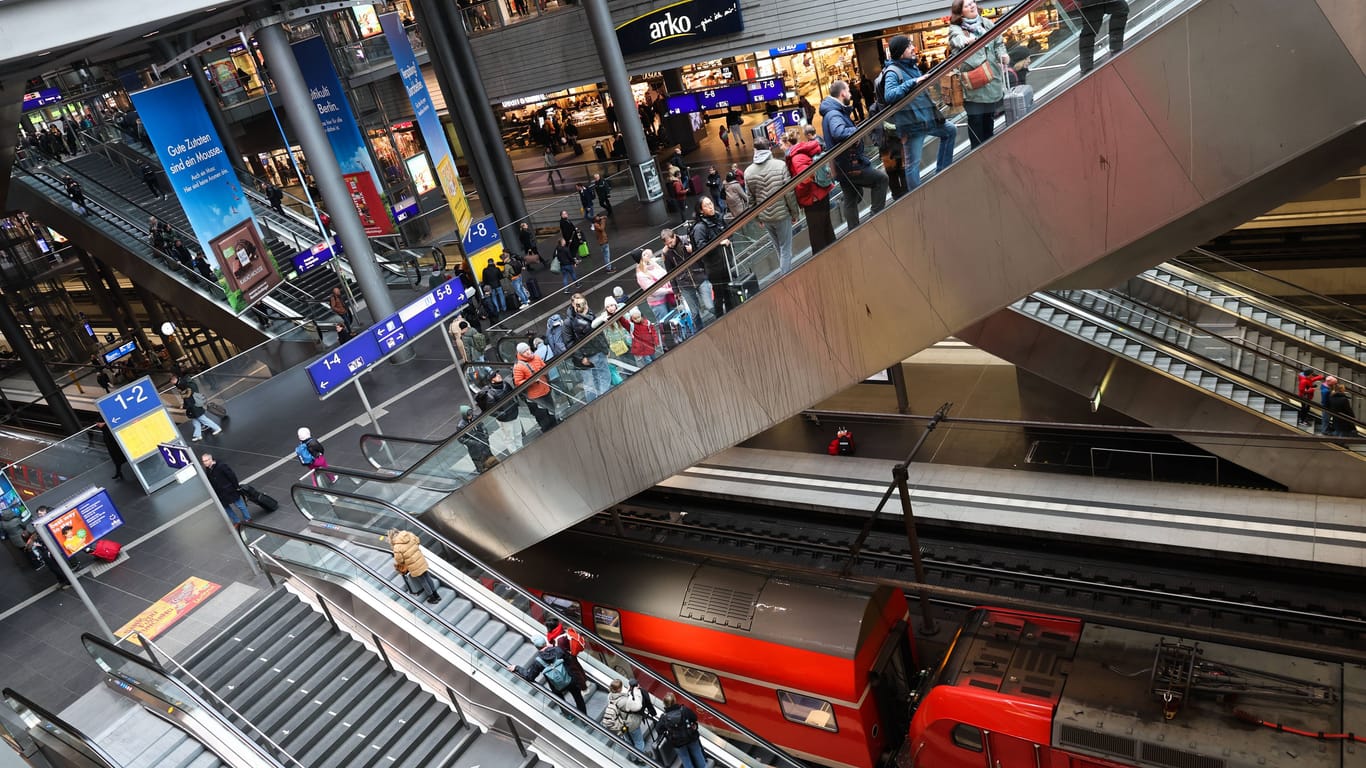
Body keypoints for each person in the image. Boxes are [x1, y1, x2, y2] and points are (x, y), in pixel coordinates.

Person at [883, 35, 958, 192]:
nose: (913, 48)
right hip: (912, 125)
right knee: (912, 163)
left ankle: (942, 172)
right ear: (901, 51)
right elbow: (889, 95)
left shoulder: (910, 66)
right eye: (909, 46)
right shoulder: (893, 71)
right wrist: (914, 82)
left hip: (925, 119)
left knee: (950, 131)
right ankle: (917, 196)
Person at [820, 80, 888, 229]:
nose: (850, 94)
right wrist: (857, 131)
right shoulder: (834, 114)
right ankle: (875, 217)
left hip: (843, 166)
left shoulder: (831, 112)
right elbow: (839, 132)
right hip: (851, 164)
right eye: (849, 91)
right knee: (881, 179)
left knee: (852, 196)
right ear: (842, 93)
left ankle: (854, 229)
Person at [949, 0, 1008, 148]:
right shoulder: (956, 28)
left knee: (988, 120)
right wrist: (967, 40)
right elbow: (956, 39)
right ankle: (978, 153)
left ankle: (989, 150)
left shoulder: (986, 23)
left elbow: (998, 43)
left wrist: (1003, 55)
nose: (972, 6)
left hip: (991, 79)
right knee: (976, 121)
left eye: (973, 2)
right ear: (960, 11)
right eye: (967, 5)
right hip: (973, 83)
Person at [784, 133, 836, 256]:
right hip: (821, 193)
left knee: (816, 232)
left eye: (781, 144)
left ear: (788, 143)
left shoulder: (796, 158)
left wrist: (799, 193)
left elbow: (805, 179)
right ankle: (833, 252)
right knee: (826, 226)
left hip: (813, 198)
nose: (780, 147)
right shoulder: (804, 150)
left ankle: (820, 259)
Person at [509, 637, 587, 714]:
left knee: (559, 699)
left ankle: (568, 715)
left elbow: (530, 677)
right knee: (578, 698)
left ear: (536, 647)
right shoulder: (558, 650)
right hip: (570, 680)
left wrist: (517, 668)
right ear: (546, 643)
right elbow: (569, 661)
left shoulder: (538, 661)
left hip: (556, 686)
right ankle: (584, 719)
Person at [690, 197, 736, 318]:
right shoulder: (699, 227)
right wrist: (718, 243)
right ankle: (720, 318)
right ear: (701, 210)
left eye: (710, 203)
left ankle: (732, 315)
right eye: (706, 205)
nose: (710, 206)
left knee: (729, 291)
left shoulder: (718, 218)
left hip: (726, 261)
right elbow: (701, 247)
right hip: (714, 267)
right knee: (719, 294)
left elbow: (728, 232)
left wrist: (727, 240)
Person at [567, 292, 611, 401]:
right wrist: (581, 357)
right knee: (601, 376)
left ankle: (600, 398)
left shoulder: (585, 315)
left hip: (591, 351)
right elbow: (593, 336)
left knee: (598, 377)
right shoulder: (576, 321)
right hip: (592, 352)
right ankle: (604, 398)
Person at [660, 228, 704, 327]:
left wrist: (692, 250)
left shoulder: (686, 240)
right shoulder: (667, 253)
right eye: (667, 244)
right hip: (684, 283)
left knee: (709, 305)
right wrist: (676, 291)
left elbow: (701, 252)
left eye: (671, 242)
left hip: (698, 276)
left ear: (674, 236)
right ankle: (701, 331)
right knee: (694, 312)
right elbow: (671, 273)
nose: (670, 245)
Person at [1070, 0, 1129, 74]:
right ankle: (1086, 65)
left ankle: (1116, 44)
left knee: (1122, 8)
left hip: (1099, 2)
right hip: (1091, 4)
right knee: (1089, 32)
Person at [513, 342, 558, 432]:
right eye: (525, 351)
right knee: (543, 416)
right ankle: (547, 431)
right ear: (521, 353)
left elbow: (545, 367)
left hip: (545, 389)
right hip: (535, 395)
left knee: (551, 411)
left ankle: (555, 425)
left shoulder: (536, 357)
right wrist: (531, 381)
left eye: (528, 349)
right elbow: (518, 382)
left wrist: (544, 371)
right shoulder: (518, 367)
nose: (528, 352)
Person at [387, 528, 441, 603]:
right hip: (420, 559)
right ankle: (437, 595)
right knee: (427, 576)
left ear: (391, 537)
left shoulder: (397, 547)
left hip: (413, 565)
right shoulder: (409, 534)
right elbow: (418, 540)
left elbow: (399, 560)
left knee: (423, 581)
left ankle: (432, 597)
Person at [657, 693, 705, 768]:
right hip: (691, 737)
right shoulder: (684, 710)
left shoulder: (664, 717)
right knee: (697, 754)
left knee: (685, 759)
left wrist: (667, 733)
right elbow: (694, 717)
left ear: (665, 704)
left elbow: (658, 729)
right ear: (675, 701)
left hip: (677, 742)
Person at [201, 453, 250, 525]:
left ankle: (248, 518)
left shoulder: (221, 466)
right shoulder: (208, 469)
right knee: (226, 508)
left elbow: (232, 476)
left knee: (239, 504)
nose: (205, 463)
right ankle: (237, 521)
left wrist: (236, 487)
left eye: (206, 460)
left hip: (229, 490)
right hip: (220, 493)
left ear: (211, 459)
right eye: (203, 461)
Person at [603, 679, 648, 756]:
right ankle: (641, 758)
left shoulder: (610, 696)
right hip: (631, 724)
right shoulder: (624, 701)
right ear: (619, 689)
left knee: (627, 739)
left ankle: (632, 756)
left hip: (622, 725)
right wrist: (636, 692)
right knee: (639, 741)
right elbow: (638, 706)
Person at [635, 249, 674, 322]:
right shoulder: (641, 275)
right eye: (644, 255)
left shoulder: (653, 263)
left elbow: (664, 273)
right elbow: (653, 291)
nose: (646, 255)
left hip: (668, 297)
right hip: (658, 302)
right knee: (665, 323)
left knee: (674, 319)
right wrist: (669, 290)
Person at [455, 404, 496, 472]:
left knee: (491, 460)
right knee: (481, 466)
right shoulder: (461, 426)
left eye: (471, 414)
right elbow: (461, 439)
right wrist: (474, 443)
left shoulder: (475, 418)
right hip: (475, 449)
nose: (470, 416)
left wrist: (485, 436)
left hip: (484, 444)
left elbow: (482, 426)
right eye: (468, 415)